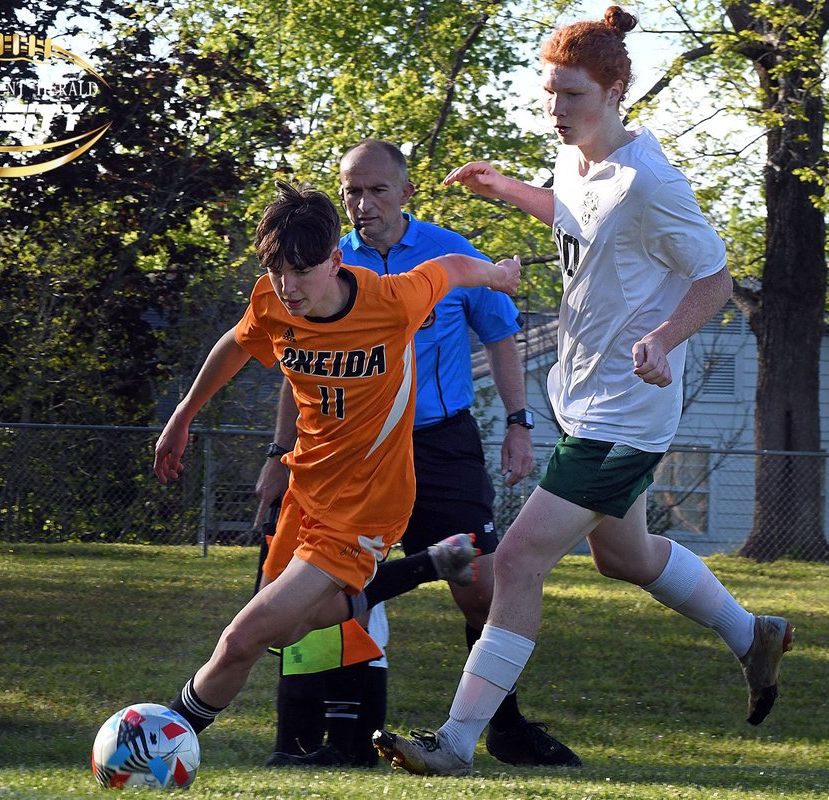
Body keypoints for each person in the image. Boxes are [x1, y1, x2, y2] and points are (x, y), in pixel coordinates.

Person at [374, 6, 794, 776]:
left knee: (522, 556)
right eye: (548, 94)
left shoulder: (652, 181)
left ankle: (459, 741)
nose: (554, 110)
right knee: (624, 556)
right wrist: (507, 190)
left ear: (614, 90)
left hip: (627, 415)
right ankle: (752, 634)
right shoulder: (575, 163)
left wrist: (664, 338)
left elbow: (714, 277)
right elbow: (576, 217)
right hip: (584, 401)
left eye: (570, 96)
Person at [152, 180, 521, 738]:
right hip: (309, 493)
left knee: (240, 639)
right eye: (277, 270)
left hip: (369, 505)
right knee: (289, 631)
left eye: (301, 271)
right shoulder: (273, 301)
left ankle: (161, 739)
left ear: (334, 258)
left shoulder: (391, 302)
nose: (288, 286)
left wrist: (495, 274)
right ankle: (424, 566)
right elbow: (235, 343)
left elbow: (450, 267)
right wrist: (182, 416)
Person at [255, 139, 580, 767]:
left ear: (405, 193)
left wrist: (519, 423)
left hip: (439, 444)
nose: (362, 202)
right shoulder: (318, 262)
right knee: (316, 585)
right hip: (347, 455)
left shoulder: (451, 253)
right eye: (352, 189)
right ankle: (323, 738)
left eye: (377, 189)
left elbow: (502, 333)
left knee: (483, 587)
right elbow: (298, 370)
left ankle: (502, 726)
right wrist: (279, 452)